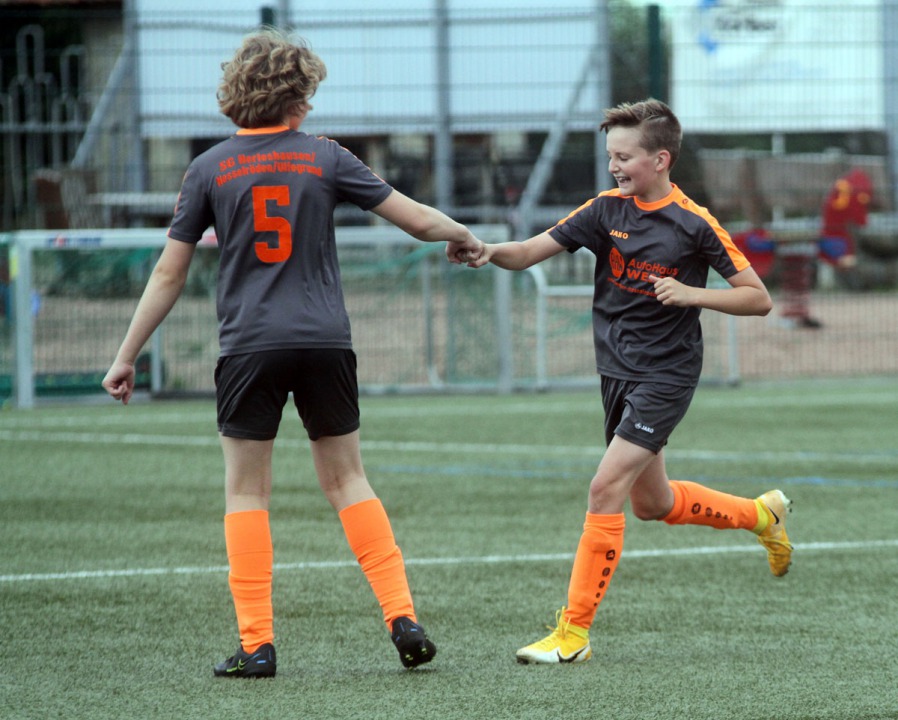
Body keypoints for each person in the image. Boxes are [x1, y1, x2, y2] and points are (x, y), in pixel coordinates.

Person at [102, 28, 482, 677]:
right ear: (298, 98)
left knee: (247, 491)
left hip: (249, 346)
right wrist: (462, 235)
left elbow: (169, 274)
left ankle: (257, 646)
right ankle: (403, 617)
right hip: (325, 340)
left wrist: (125, 354)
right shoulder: (326, 157)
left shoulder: (208, 168)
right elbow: (417, 219)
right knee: (348, 480)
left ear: (234, 93)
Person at [455, 99, 792, 665]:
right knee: (653, 503)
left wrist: (693, 294)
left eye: (624, 157)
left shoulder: (694, 222)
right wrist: (488, 251)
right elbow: (531, 251)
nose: (614, 166)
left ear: (660, 160)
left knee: (604, 488)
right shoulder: (604, 210)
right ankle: (762, 516)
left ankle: (573, 635)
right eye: (610, 156)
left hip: (666, 374)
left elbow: (758, 298)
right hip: (615, 373)